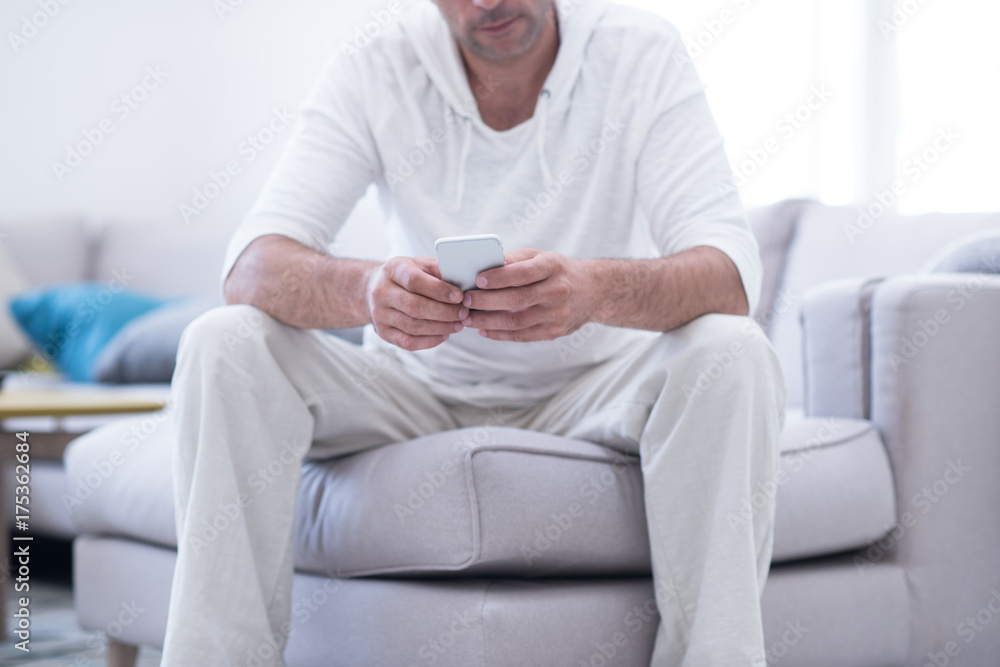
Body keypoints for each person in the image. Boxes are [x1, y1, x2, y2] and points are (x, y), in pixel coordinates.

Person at [160, 0, 786, 664]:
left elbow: (729, 277)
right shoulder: (376, 62)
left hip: (595, 389)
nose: (487, 2)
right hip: (414, 390)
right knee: (222, 341)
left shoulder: (641, 51)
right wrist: (368, 291)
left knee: (734, 350)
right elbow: (251, 267)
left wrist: (594, 289)